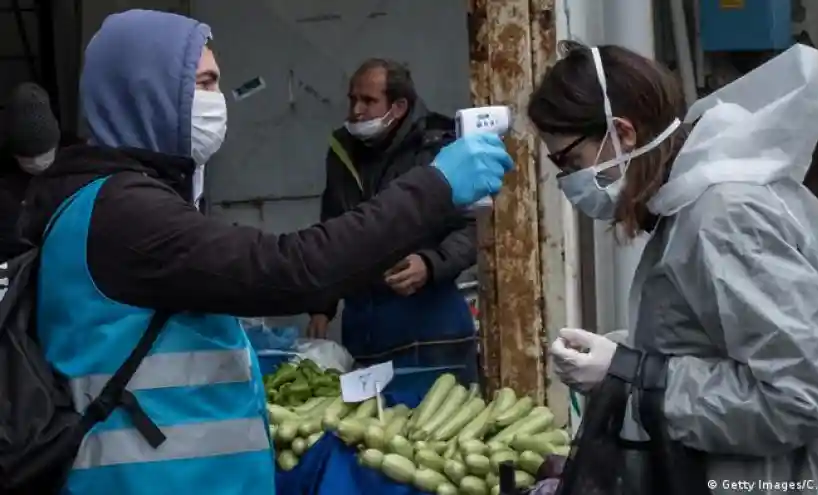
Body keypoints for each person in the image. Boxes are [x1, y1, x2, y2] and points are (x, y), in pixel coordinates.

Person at [19, 9, 512, 495]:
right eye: (205, 84)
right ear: (147, 93)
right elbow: (292, 268)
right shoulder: (124, 211)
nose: (218, 101)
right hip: (146, 479)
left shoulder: (109, 199)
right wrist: (436, 186)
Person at [531, 42, 818, 493]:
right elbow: (729, 339)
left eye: (569, 161)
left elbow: (797, 395)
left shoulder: (726, 215)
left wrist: (633, 376)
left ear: (622, 133)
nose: (568, 180)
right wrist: (636, 351)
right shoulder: (701, 199)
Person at [307, 58, 479, 384]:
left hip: (431, 324)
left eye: (368, 101)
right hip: (365, 326)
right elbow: (331, 230)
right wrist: (321, 305)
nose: (356, 110)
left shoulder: (439, 147)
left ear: (398, 106)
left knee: (442, 421)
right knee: (373, 426)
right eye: (352, 99)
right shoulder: (342, 151)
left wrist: (430, 264)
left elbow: (473, 226)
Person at [0, 82, 60, 261]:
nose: (35, 162)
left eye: (43, 154)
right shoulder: (5, 183)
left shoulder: (77, 164)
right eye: (27, 156)